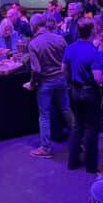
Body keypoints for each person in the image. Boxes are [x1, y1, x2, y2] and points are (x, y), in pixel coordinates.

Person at [63, 19, 103, 173]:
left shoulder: (70, 48)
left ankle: (73, 161)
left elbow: (64, 69)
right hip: (90, 93)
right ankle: (91, 165)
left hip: (74, 91)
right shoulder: (93, 52)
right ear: (92, 31)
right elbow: (97, 77)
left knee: (77, 126)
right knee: (91, 128)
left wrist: (70, 82)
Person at [28, 13, 73, 159]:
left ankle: (46, 148)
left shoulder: (33, 44)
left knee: (44, 116)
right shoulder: (60, 39)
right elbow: (67, 61)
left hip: (45, 84)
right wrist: (67, 79)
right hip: (61, 80)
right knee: (66, 109)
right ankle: (80, 140)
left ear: (34, 26)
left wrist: (32, 83)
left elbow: (36, 69)